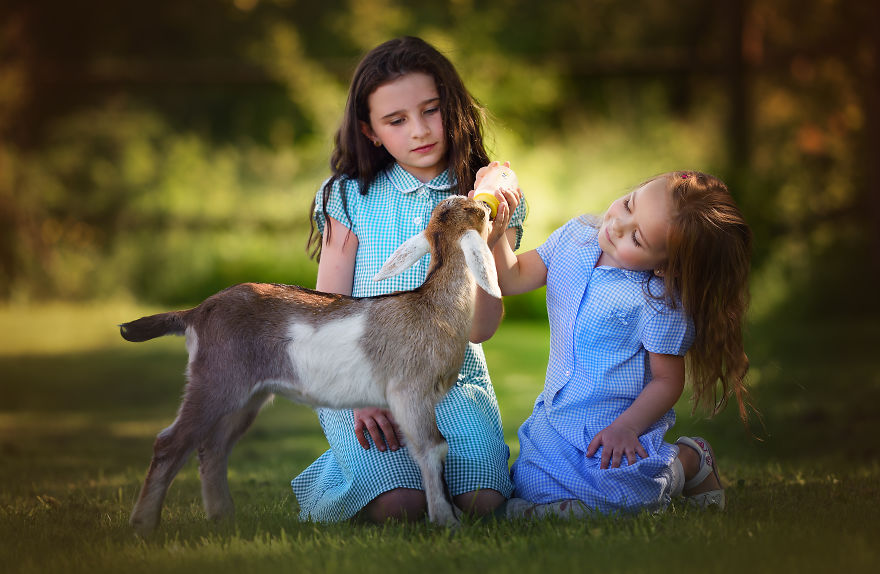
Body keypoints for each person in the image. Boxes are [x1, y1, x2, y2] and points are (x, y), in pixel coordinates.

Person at [291, 36, 526, 523]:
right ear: (370, 130)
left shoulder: (482, 196)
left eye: (431, 110)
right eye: (396, 121)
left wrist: (491, 227)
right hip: (361, 376)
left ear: (452, 108)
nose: (419, 130)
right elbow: (327, 306)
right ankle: (335, 480)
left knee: (483, 506)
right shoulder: (348, 196)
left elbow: (480, 330)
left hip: (451, 380)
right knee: (402, 506)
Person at [483, 170, 752, 518]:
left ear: (665, 268)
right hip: (558, 422)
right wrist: (497, 234)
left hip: (615, 429)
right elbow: (512, 276)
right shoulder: (576, 238)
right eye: (628, 205)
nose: (617, 225)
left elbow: (667, 380)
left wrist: (626, 427)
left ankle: (687, 461)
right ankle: (552, 505)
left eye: (637, 239)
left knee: (626, 498)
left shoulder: (658, 301)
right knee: (530, 485)